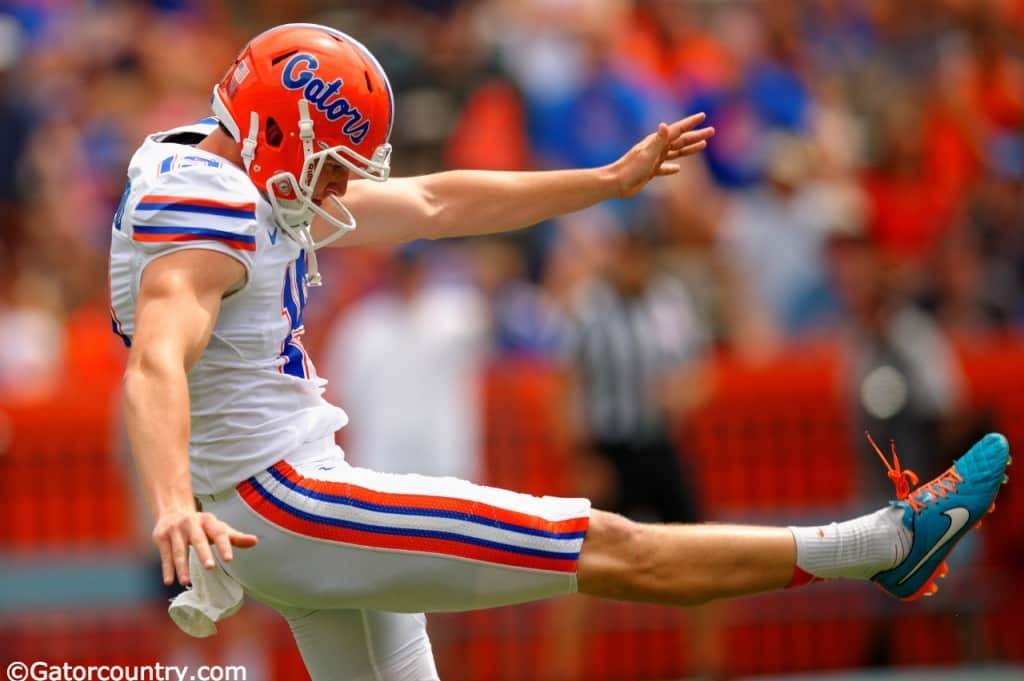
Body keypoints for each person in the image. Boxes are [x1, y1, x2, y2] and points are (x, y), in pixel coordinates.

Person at [110, 23, 1010, 681]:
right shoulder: (209, 217)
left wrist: (605, 181)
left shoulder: (211, 168)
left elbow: (434, 206)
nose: (342, 187)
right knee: (612, 546)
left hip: (278, 493)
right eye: (335, 163)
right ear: (280, 129)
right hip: (282, 498)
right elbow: (155, 360)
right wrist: (173, 501)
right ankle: (885, 543)